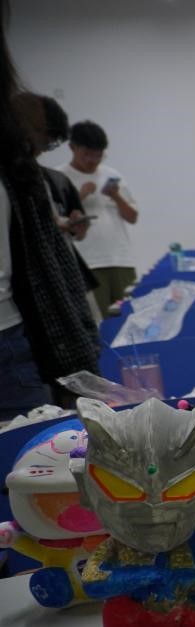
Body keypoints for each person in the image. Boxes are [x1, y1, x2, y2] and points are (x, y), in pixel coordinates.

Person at [1, 16, 99, 419]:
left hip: (19, 333)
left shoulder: (34, 180)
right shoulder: (27, 177)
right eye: (37, 142)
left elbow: (53, 266)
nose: (37, 152)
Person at [12, 92, 101, 321]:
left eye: (49, 144)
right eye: (43, 142)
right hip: (28, 297)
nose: (41, 150)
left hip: (69, 277)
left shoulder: (56, 181)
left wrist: (77, 227)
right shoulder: (11, 184)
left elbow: (77, 231)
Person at [57, 121, 139, 316]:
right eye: (87, 154)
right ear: (72, 148)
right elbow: (55, 220)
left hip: (121, 259)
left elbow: (133, 217)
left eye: (98, 155)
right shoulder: (59, 177)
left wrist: (116, 196)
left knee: (131, 317)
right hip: (87, 263)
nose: (93, 160)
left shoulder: (112, 175)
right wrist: (80, 196)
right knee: (98, 321)